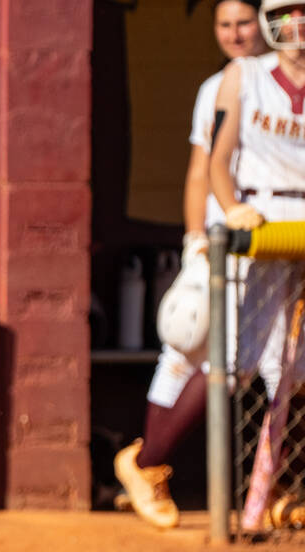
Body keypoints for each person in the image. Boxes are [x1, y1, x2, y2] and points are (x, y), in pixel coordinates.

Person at [114, 0, 270, 529]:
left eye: (244, 22)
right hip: (222, 235)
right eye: (224, 25)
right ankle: (149, 465)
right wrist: (193, 236)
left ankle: (145, 464)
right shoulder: (217, 87)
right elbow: (200, 170)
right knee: (186, 344)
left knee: (238, 361)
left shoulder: (276, 82)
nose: (234, 34)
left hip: (268, 239)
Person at [208, 0, 305, 519]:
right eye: (288, 13)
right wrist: (231, 207)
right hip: (262, 220)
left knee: (296, 368)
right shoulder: (246, 75)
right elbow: (216, 162)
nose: (297, 25)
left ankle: (279, 492)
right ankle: (221, 489)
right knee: (242, 359)